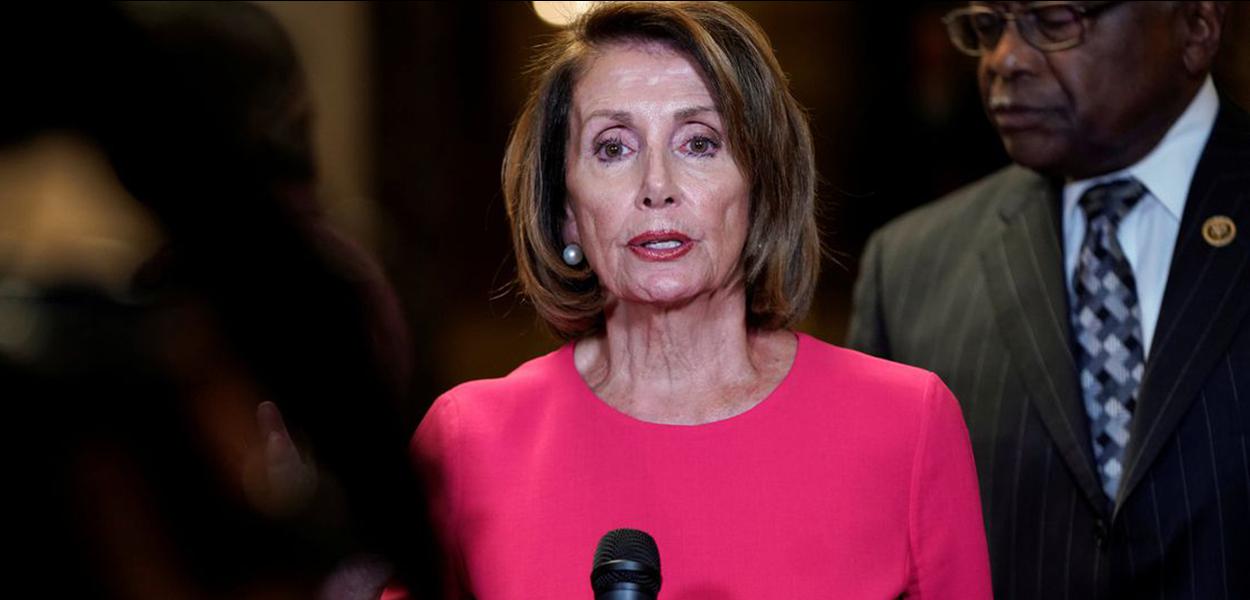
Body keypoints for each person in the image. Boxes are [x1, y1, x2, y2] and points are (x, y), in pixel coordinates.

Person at [407, 2, 990, 598]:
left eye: (700, 143)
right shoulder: (466, 445)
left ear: (761, 186)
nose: (657, 187)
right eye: (614, 148)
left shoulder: (907, 426)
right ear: (566, 213)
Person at [847, 2, 1247, 598]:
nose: (1004, 60)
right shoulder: (910, 268)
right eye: (988, 28)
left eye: (1055, 21)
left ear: (1196, 26)